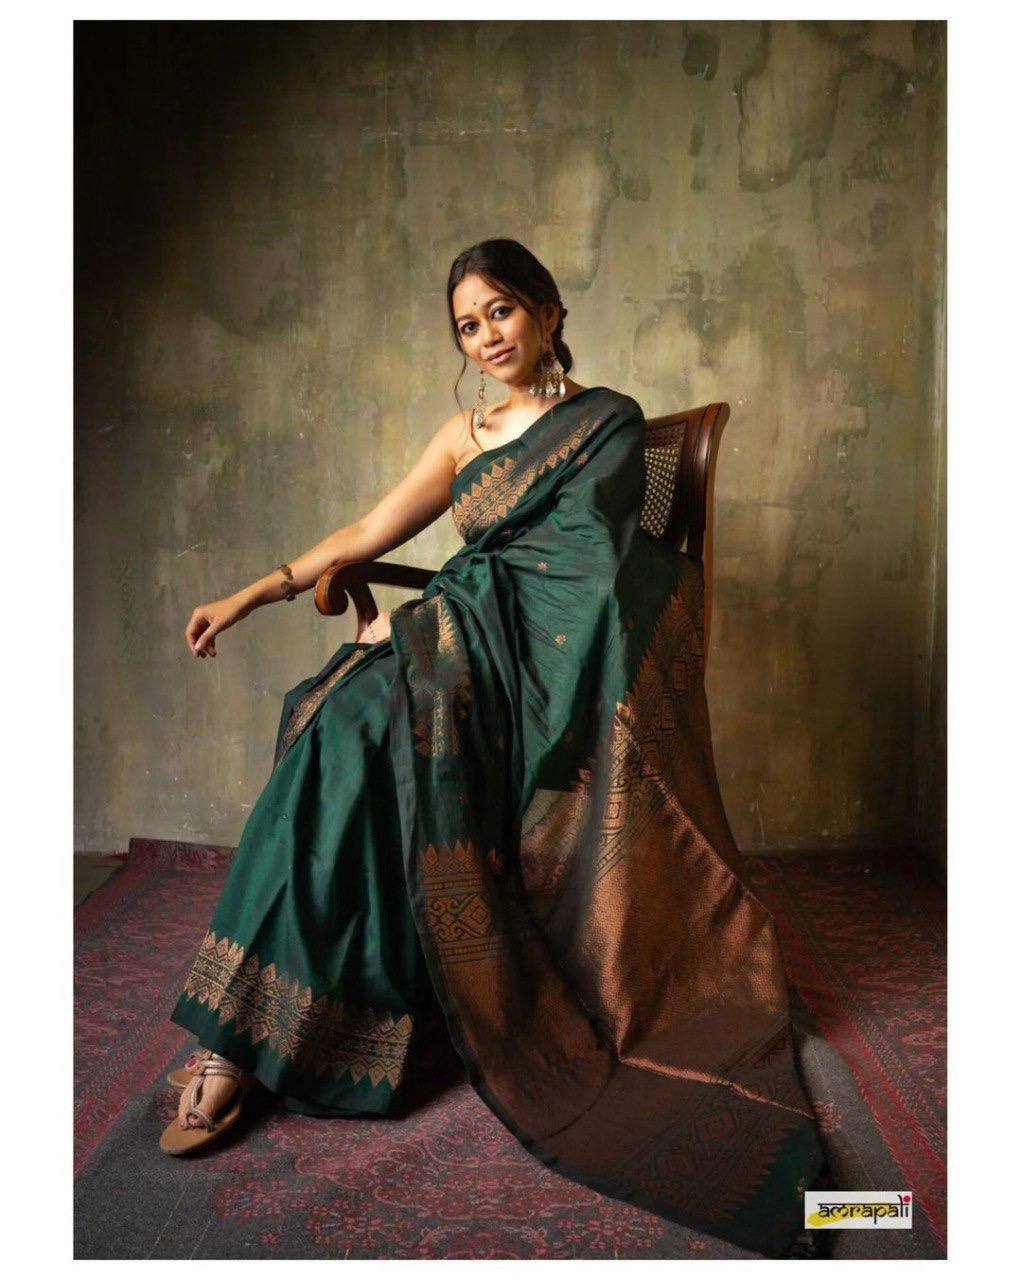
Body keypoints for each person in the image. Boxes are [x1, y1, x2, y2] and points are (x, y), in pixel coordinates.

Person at [163, 237, 830, 1257]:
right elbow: (367, 531)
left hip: (524, 679)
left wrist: (439, 618)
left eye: (501, 311)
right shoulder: (459, 435)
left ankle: (237, 1047)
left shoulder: (605, 422)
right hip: (447, 647)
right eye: (467, 326)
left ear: (548, 311)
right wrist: (251, 594)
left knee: (368, 735)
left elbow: (587, 574)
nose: (486, 337)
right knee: (335, 730)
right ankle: (262, 1027)